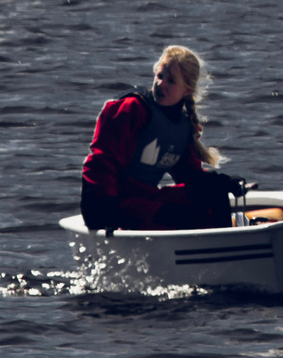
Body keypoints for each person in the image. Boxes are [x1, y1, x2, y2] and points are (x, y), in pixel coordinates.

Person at [78, 45, 245, 232]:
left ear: (187, 90)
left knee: (212, 194)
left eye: (171, 81)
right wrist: (104, 211)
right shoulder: (132, 109)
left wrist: (221, 182)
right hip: (113, 203)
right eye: (160, 76)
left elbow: (189, 177)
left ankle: (225, 242)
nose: (161, 84)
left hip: (145, 199)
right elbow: (101, 163)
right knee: (176, 216)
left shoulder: (183, 126)